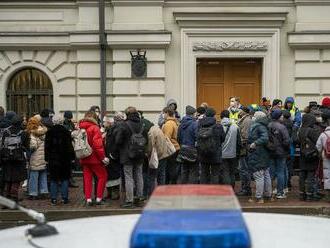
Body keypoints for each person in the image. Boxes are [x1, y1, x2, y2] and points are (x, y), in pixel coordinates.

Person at [115, 107, 146, 208]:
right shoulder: (142, 123)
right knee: (139, 175)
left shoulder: (124, 125)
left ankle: (129, 200)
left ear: (127, 114)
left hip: (127, 155)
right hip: (140, 154)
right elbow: (146, 139)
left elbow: (118, 140)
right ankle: (140, 197)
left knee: (129, 177)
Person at [79, 111, 109, 206]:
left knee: (87, 178)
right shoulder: (95, 128)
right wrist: (103, 158)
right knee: (102, 176)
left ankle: (88, 199)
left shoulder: (80, 127)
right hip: (95, 158)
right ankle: (99, 198)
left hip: (84, 157)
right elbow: (97, 146)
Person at [45, 115, 75, 205]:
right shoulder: (66, 132)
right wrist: (72, 157)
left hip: (53, 159)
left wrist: (46, 158)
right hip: (65, 159)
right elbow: (70, 146)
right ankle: (64, 198)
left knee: (54, 179)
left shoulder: (49, 132)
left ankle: (53, 199)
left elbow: (47, 147)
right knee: (65, 178)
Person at [0, 112, 28, 201]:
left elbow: (2, 145)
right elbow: (27, 146)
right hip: (18, 159)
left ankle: (6, 200)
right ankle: (14, 198)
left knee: (7, 179)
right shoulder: (23, 133)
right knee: (16, 180)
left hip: (6, 159)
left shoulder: (6, 132)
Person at [247, 111, 271, 204]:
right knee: (265, 174)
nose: (253, 117)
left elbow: (265, 138)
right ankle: (267, 195)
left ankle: (258, 197)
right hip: (263, 154)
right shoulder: (263, 125)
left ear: (258, 117)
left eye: (254, 116)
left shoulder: (259, 126)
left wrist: (254, 143)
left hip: (258, 154)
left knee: (258, 175)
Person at [197, 107, 225, 184]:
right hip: (215, 153)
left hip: (203, 153)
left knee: (204, 173)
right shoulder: (218, 126)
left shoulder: (199, 125)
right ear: (214, 115)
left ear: (205, 115)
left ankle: (204, 192)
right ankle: (213, 193)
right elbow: (223, 139)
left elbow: (197, 137)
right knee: (215, 174)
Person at [298, 113, 322, 201]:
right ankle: (309, 195)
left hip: (302, 154)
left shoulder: (300, 129)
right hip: (311, 155)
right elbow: (318, 141)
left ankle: (301, 194)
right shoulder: (311, 131)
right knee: (310, 175)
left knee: (302, 174)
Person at [268, 109, 290, 199]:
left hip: (270, 152)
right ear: (278, 117)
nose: (282, 117)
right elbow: (287, 141)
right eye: (281, 116)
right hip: (281, 152)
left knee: (271, 173)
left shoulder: (268, 125)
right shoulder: (282, 127)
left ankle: (268, 191)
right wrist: (285, 149)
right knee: (280, 172)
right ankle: (280, 192)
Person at [27, 116, 49, 199]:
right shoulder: (44, 132)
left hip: (35, 157)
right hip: (43, 157)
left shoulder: (32, 133)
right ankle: (44, 191)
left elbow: (33, 146)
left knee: (34, 176)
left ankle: (33, 193)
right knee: (43, 174)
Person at [105, 112, 124, 201]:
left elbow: (116, 142)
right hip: (113, 154)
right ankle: (111, 193)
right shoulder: (114, 128)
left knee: (113, 174)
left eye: (105, 122)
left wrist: (113, 154)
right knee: (112, 174)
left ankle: (114, 194)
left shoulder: (115, 128)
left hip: (113, 154)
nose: (104, 123)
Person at [177, 105, 198, 184]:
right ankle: (192, 190)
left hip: (183, 149)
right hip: (192, 150)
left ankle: (183, 189)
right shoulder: (195, 124)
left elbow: (178, 137)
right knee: (193, 171)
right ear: (192, 114)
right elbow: (197, 137)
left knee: (184, 171)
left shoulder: (181, 124)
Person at [220, 110, 241, 188]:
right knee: (232, 172)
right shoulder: (235, 127)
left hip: (222, 154)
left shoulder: (219, 126)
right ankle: (232, 188)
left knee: (225, 172)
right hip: (233, 153)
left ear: (221, 116)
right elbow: (239, 142)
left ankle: (226, 190)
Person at [162, 107, 180, 184]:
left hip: (171, 148)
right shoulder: (175, 122)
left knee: (170, 168)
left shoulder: (168, 124)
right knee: (173, 167)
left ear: (167, 113)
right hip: (176, 147)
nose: (162, 115)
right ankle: (173, 183)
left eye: (163, 113)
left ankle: (171, 185)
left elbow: (167, 138)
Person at [237, 107, 253, 196]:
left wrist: (239, 142)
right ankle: (245, 188)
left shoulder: (246, 121)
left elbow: (245, 136)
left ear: (243, 112)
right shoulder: (244, 119)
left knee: (244, 169)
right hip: (244, 148)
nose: (239, 111)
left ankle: (246, 189)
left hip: (244, 148)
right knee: (243, 169)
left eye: (240, 110)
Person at [316, 116, 330, 202]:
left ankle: (328, 195)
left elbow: (318, 147)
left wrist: (321, 153)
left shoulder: (323, 134)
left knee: (327, 174)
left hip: (326, 156)